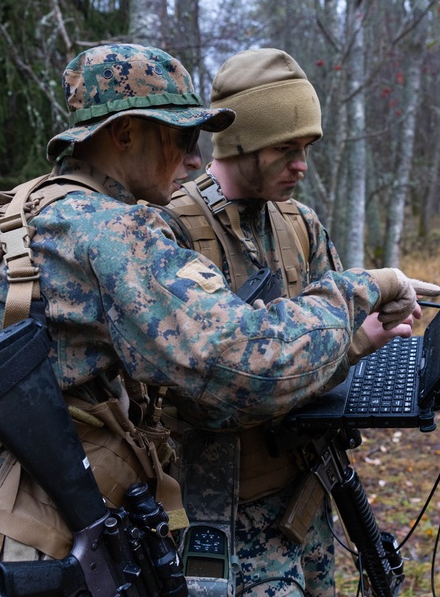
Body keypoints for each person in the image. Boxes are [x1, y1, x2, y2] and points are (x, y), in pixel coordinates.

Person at [0, 43, 440, 597]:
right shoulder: (111, 234)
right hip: (12, 562)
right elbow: (247, 360)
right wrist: (364, 288)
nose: (196, 158)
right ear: (124, 134)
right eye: (180, 137)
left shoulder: (14, 213)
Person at [157, 48, 418, 596]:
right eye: (286, 149)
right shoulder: (169, 232)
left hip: (306, 500)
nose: (301, 165)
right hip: (219, 517)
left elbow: (329, 337)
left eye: (307, 149)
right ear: (241, 143)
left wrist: (367, 337)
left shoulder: (300, 224)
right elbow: (209, 391)